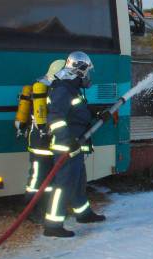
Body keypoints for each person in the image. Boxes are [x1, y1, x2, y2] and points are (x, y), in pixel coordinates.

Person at [44, 51, 106, 238]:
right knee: (63, 186)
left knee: (78, 182)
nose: (88, 76)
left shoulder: (73, 89)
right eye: (86, 71)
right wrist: (66, 140)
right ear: (78, 70)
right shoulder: (63, 89)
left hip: (75, 146)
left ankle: (83, 214)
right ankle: (52, 225)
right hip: (66, 147)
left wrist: (95, 115)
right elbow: (55, 118)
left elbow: (77, 114)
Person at [19, 59, 65, 222]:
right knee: (39, 179)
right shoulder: (52, 90)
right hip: (43, 143)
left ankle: (41, 209)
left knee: (42, 178)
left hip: (39, 142)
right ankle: (31, 211)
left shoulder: (39, 86)